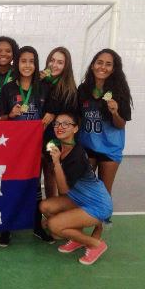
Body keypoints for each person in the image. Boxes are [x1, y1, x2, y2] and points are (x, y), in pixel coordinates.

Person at [40, 113, 113, 265]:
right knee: (44, 206)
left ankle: (96, 244)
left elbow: (64, 189)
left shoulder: (77, 154)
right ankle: (77, 238)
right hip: (78, 198)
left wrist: (57, 163)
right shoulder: (59, 146)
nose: (60, 127)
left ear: (75, 129)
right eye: (57, 123)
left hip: (97, 204)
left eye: (66, 124)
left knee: (54, 226)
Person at [77, 48, 133, 238]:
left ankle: (98, 229)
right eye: (99, 62)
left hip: (110, 149)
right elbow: (77, 117)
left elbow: (120, 124)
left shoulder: (119, 92)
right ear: (93, 65)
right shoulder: (84, 89)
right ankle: (78, 226)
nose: (103, 67)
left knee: (104, 191)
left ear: (114, 68)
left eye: (108, 64)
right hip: (87, 147)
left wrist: (115, 112)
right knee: (84, 186)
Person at [0, 46, 44, 247]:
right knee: (9, 185)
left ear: (36, 64)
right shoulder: (8, 89)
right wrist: (11, 115)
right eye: (23, 61)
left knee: (34, 187)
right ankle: (6, 227)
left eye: (31, 61)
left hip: (35, 149)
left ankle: (37, 225)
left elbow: (50, 114)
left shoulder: (44, 87)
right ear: (16, 63)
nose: (27, 65)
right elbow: (0, 119)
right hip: (12, 149)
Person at [40, 47, 78, 242]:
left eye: (60, 62)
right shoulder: (42, 82)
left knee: (56, 179)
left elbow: (69, 117)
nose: (54, 65)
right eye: (52, 60)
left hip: (56, 140)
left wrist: (54, 114)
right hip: (37, 137)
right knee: (46, 178)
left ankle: (60, 221)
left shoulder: (69, 89)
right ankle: (47, 219)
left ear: (66, 66)